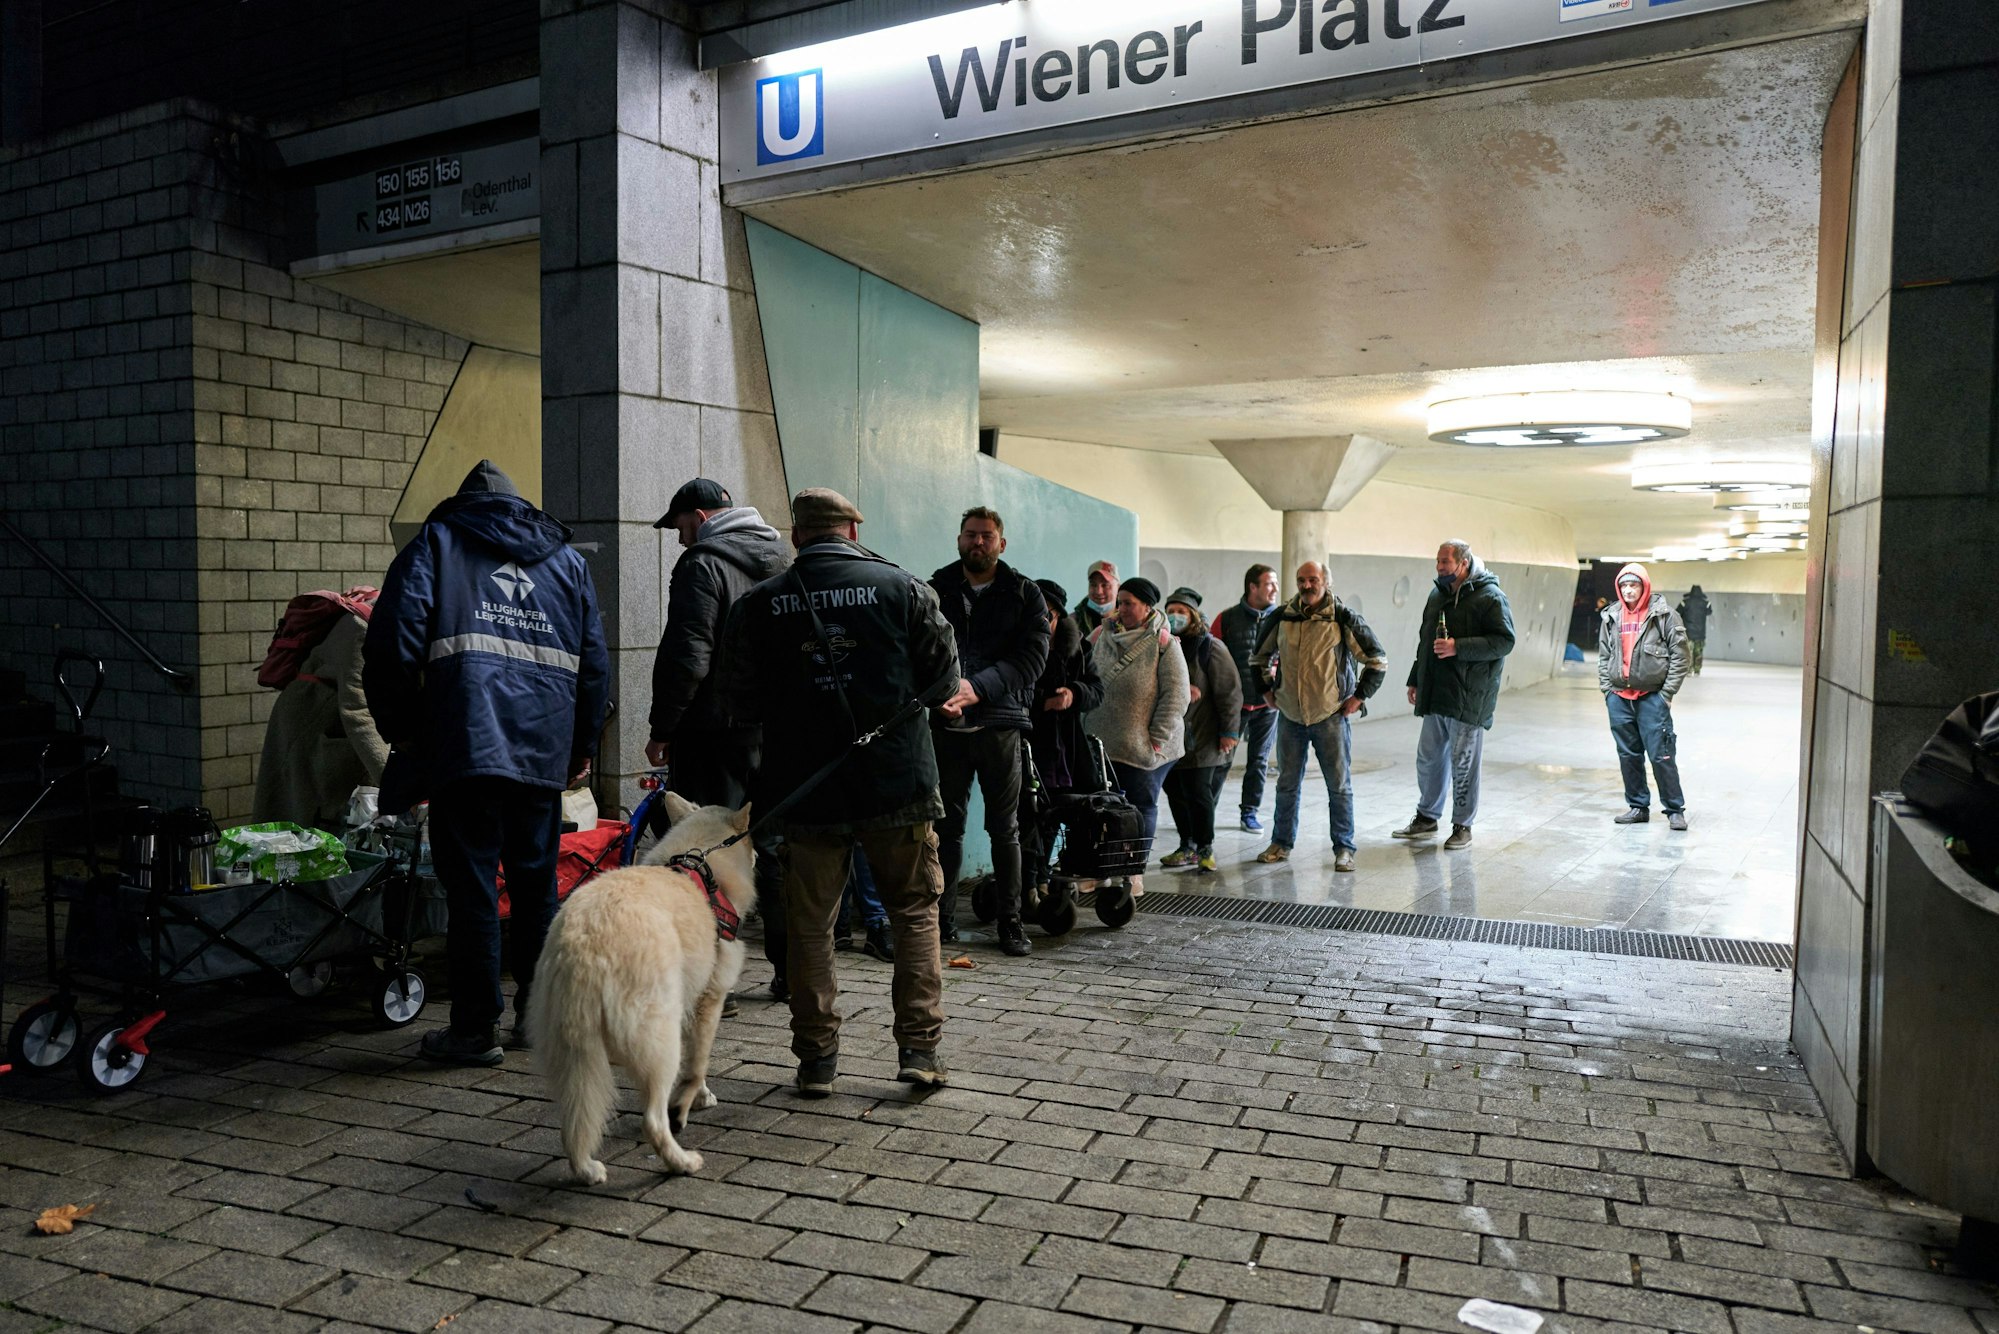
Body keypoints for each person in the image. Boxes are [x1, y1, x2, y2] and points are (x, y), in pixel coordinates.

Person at [716, 487, 961, 1097]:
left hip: (806, 788)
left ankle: (817, 1061)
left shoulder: (759, 604)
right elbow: (944, 681)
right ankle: (919, 1051)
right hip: (898, 783)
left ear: (797, 536)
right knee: (913, 913)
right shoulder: (904, 588)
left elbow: (738, 701)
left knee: (811, 927)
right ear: (852, 531)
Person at [364, 460, 610, 1066]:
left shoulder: (437, 544)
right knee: (535, 885)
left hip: (464, 743)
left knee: (471, 886)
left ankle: (475, 1030)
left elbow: (391, 642)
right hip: (541, 748)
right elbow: (594, 665)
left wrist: (405, 731)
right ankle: (536, 1018)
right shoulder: (567, 562)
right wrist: (580, 746)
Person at [645, 477, 791, 999]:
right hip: (774, 731)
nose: (680, 537)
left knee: (704, 850)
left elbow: (688, 655)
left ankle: (709, 982)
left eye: (681, 526)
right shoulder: (783, 559)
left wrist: (662, 728)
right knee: (772, 848)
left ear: (702, 518)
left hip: (713, 731)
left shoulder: (702, 563)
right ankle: (791, 974)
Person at [929, 508, 1050, 957]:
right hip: (946, 725)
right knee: (945, 828)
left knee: (1005, 829)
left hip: (1000, 725)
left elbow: (1031, 659)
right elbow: (916, 648)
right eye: (970, 535)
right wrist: (938, 694)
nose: (977, 542)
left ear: (1002, 543)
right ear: (959, 539)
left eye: (986, 535)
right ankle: (941, 922)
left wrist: (975, 688)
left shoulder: (1024, 593)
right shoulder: (936, 588)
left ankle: (1010, 924)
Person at [1248, 562, 1386, 871]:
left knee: (1339, 786)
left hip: (1330, 717)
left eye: (1313, 579)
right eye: (1301, 580)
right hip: (1291, 717)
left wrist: (1358, 697)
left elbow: (1377, 660)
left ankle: (1344, 848)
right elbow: (1258, 658)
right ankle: (1281, 843)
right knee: (1286, 785)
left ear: (1326, 582)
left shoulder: (1343, 617)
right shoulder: (1282, 616)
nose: (1306, 585)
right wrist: (1267, 691)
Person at [1395, 540, 1515, 852]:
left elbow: (1504, 641)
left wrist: (1458, 647)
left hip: (1468, 696)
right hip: (1436, 692)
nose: (1439, 567)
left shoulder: (1491, 597)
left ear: (1463, 563)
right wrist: (1415, 679)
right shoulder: (1437, 595)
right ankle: (1427, 817)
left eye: (1445, 561)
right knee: (1429, 758)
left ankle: (1463, 825)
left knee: (1464, 763)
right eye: (1438, 561)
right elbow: (1426, 642)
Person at [1083, 577, 1190, 887]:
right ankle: (1101, 869)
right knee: (1101, 807)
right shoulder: (1100, 635)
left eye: (1129, 603)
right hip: (1103, 744)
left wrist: (1155, 740)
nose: (1122, 609)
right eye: (1120, 603)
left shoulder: (1164, 644)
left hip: (1145, 748)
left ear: (1147, 607)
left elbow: (1176, 696)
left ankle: (1132, 871)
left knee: (1140, 807)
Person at [252, 588, 388, 827]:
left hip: (330, 717)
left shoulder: (395, 622)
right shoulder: (362, 628)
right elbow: (357, 712)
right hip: (309, 718)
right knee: (298, 816)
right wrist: (393, 781)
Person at [1024, 577, 1105, 894]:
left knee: (1063, 811)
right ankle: (1032, 881)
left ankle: (1051, 875)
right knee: (1031, 815)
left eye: (1047, 614)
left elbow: (1096, 690)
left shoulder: (1078, 649)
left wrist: (1073, 694)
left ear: (1058, 615)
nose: (1041, 620)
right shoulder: (1019, 647)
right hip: (1028, 742)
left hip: (1067, 747)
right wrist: (1042, 702)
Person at [1600, 564, 1691, 830]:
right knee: (1628, 755)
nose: (1628, 590)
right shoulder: (1612, 616)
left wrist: (1666, 694)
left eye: (1634, 585)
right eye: (1624, 585)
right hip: (1619, 697)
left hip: (1652, 697)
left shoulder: (1664, 615)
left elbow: (1681, 657)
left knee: (1661, 754)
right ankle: (1638, 806)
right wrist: (1608, 691)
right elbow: (1604, 655)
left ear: (1644, 587)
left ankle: (1674, 810)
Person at [1159, 588, 1241, 875]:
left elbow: (1230, 692)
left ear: (1193, 615)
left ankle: (1205, 847)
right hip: (1171, 733)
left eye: (1182, 611)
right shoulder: (1164, 644)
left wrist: (1229, 731)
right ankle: (1187, 845)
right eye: (1171, 610)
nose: (1175, 616)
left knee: (1198, 791)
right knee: (1174, 789)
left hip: (1203, 733)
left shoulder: (1210, 648)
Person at [1212, 564, 1282, 833]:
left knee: (1259, 761)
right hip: (1233, 705)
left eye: (1275, 583)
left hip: (1268, 703)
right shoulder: (1226, 619)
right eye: (1269, 583)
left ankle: (1249, 813)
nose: (1275, 589)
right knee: (1221, 760)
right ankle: (1206, 812)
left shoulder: (1283, 619)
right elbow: (1211, 659)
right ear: (1253, 587)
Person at [1676, 583, 1713, 676]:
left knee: (1688, 652)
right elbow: (1709, 612)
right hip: (1700, 633)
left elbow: (1677, 612)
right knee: (1698, 652)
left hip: (1688, 632)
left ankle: (1689, 671)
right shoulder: (1705, 603)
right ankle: (1697, 670)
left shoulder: (1685, 602)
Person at [1074, 560, 1118, 636]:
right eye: (1093, 585)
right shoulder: (1073, 622)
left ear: (1118, 587)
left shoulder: (1129, 620)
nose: (1099, 591)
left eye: (1105, 585)